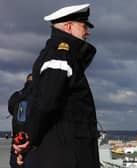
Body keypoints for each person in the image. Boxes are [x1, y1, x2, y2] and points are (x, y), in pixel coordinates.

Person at [13, 4, 100, 168]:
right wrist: (29, 138)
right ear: (68, 27)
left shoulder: (62, 56)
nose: (87, 32)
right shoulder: (60, 56)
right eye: (83, 26)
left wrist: (30, 139)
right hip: (69, 155)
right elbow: (48, 101)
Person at [8, 73, 32, 168]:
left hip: (16, 140)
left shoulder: (17, 95)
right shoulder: (39, 96)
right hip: (32, 142)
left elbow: (11, 109)